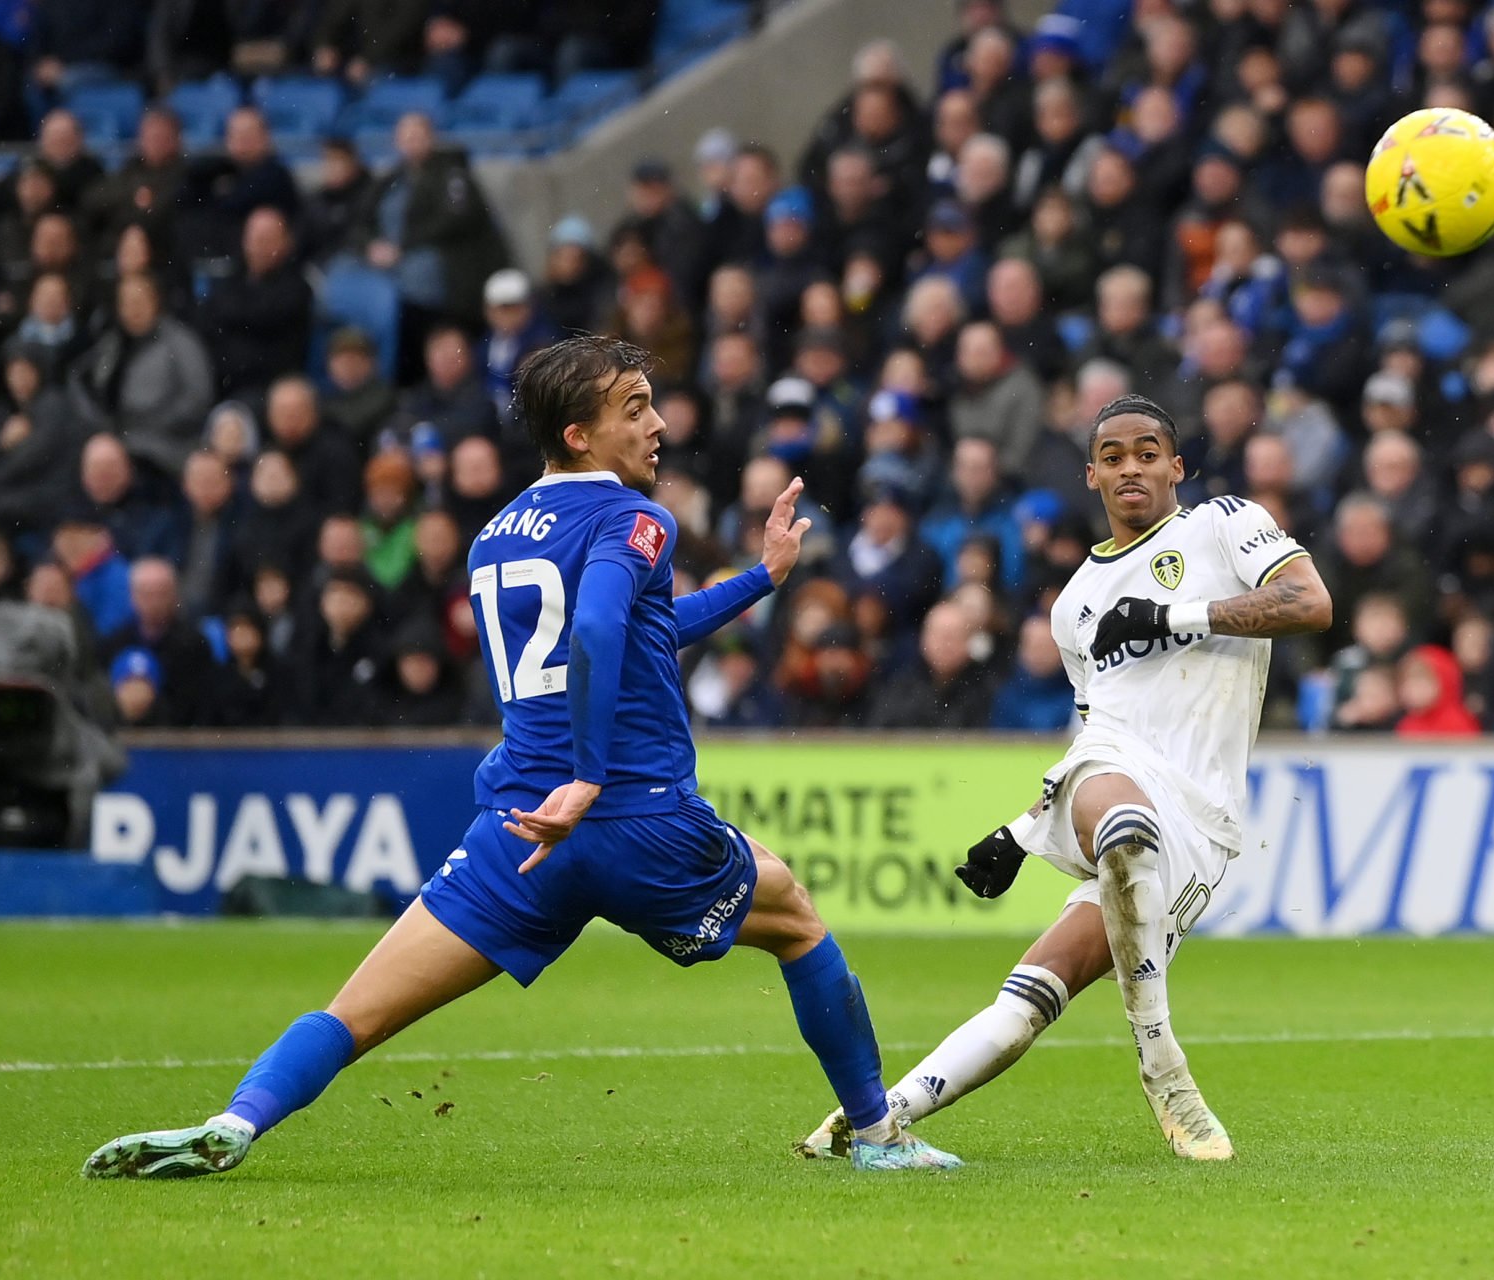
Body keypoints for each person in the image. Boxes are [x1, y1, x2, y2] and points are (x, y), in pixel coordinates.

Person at [84, 337, 960, 1179]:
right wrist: (588, 774)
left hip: (517, 830)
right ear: (580, 435)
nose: (657, 425)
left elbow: (642, 631)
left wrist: (760, 578)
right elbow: (598, 629)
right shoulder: (634, 517)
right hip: (632, 818)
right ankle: (879, 1136)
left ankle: (235, 1120)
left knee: (355, 1012)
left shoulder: (495, 534)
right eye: (635, 408)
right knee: (799, 921)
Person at [799, 395, 1332, 1162]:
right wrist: (1022, 829)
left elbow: (1308, 602)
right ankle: (1164, 1069)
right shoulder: (1075, 602)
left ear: (1176, 466)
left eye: (1148, 452)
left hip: (1202, 818)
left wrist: (1172, 618)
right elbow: (1101, 735)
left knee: (1026, 1002)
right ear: (1091, 475)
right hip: (1115, 780)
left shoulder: (1221, 523)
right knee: (1121, 820)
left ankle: (872, 1121)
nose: (1131, 468)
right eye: (1112, 457)